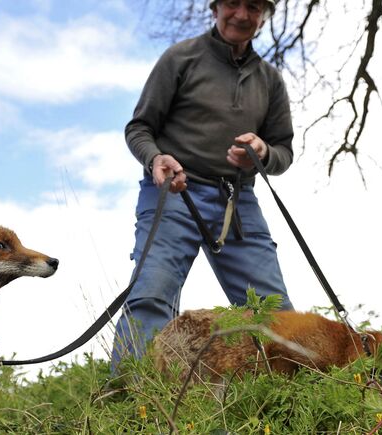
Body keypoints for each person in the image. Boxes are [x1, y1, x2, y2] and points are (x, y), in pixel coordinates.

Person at [111, 0, 295, 368]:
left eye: (254, 7)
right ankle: (128, 402)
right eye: (232, 3)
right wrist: (155, 158)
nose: (242, 15)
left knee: (275, 311)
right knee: (152, 294)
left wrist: (262, 152)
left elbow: (283, 151)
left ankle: (288, 404)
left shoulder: (270, 80)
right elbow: (139, 128)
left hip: (237, 203)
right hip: (173, 192)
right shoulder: (181, 58)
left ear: (265, 15)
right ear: (215, 7)